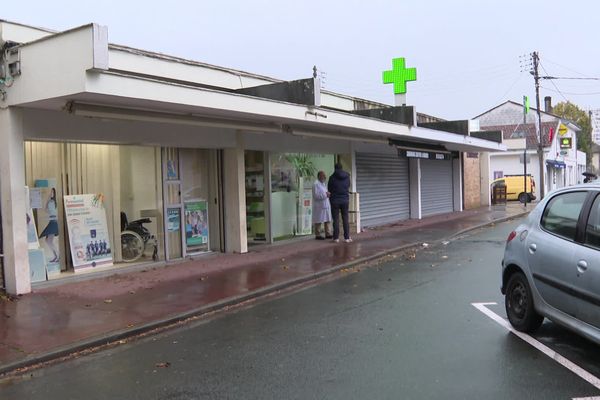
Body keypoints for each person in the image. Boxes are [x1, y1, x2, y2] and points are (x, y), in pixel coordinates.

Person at [328, 163, 352, 243]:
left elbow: (329, 189)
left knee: (336, 219)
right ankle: (347, 237)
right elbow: (348, 186)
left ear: (335, 168)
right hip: (345, 200)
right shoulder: (347, 177)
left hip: (335, 200)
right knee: (345, 218)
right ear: (342, 168)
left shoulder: (331, 178)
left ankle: (336, 238)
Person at [39, 187, 60, 262]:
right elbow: (45, 209)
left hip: (53, 222)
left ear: (54, 194)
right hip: (52, 221)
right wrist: (48, 197)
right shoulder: (50, 201)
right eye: (51, 192)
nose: (51, 194)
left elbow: (52, 212)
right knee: (48, 240)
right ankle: (56, 256)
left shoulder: (54, 202)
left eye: (53, 192)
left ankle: (57, 255)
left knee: (48, 240)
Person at [312, 171, 333, 240]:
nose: (324, 177)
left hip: (325, 204)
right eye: (322, 176)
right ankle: (318, 235)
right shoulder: (316, 184)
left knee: (327, 219)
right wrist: (325, 195)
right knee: (319, 220)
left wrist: (327, 194)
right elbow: (316, 196)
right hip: (319, 205)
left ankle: (328, 233)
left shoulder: (323, 183)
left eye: (324, 175)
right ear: (319, 176)